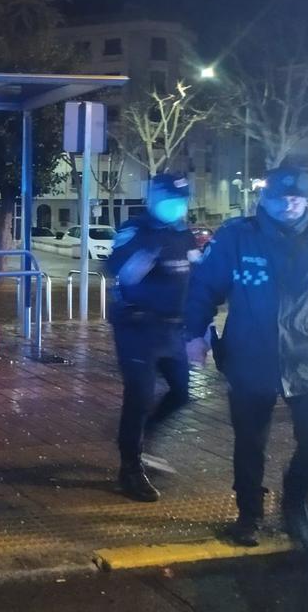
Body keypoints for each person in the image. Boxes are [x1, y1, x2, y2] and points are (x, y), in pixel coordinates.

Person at [185, 166, 308, 552]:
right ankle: (249, 513)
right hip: (250, 357)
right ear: (263, 200)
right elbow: (204, 286)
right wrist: (194, 334)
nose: (289, 205)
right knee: (250, 443)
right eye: (280, 198)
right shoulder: (238, 236)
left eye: (297, 198)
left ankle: (295, 501)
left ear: (307, 201)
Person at [107, 173, 198, 502]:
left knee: (182, 393)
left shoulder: (182, 233)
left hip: (173, 328)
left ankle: (143, 436)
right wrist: (143, 257)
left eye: (182, 200)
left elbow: (193, 276)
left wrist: (199, 329)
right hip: (137, 329)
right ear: (153, 196)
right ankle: (129, 468)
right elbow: (119, 269)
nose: (177, 206)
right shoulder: (135, 229)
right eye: (171, 199)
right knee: (140, 396)